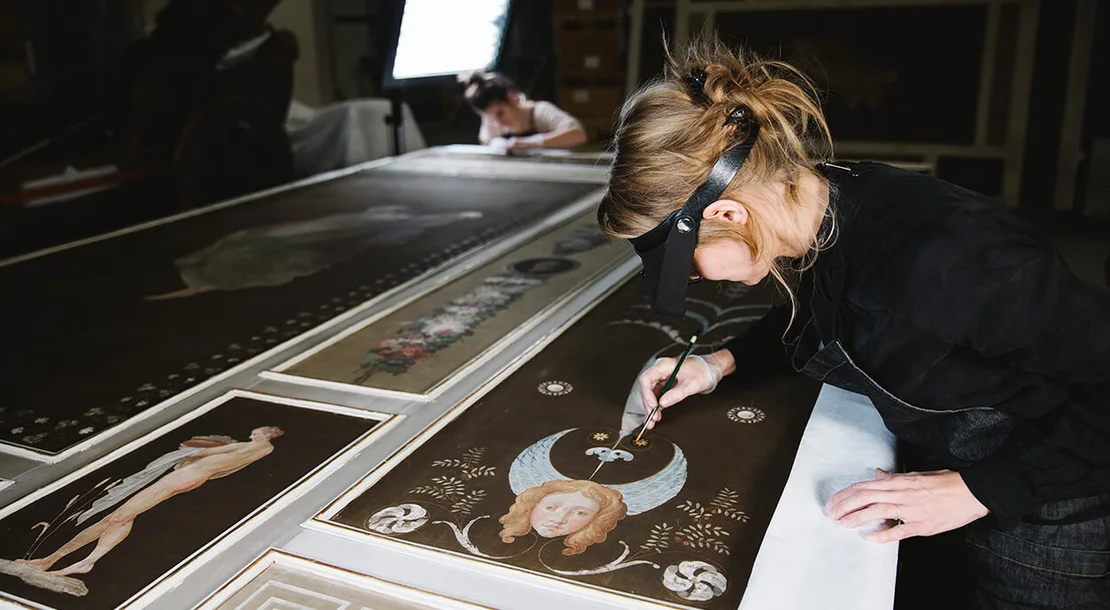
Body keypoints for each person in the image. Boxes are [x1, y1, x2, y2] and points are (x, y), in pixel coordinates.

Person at [597, 33, 1110, 609]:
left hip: (1053, 513)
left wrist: (980, 490)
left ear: (727, 214)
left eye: (687, 266)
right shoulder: (818, 209)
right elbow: (833, 316)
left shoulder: (949, 261)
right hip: (954, 474)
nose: (696, 281)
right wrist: (717, 363)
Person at [18, 426, 283, 577]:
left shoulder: (252, 446)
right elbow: (224, 465)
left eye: (257, 430)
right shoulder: (261, 452)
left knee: (116, 517)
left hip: (182, 479)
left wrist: (190, 451)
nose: (253, 432)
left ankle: (59, 560)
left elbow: (215, 451)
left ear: (266, 433)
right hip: (190, 479)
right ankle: (67, 560)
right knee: (119, 518)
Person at [459, 71, 587, 152]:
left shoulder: (540, 111)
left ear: (512, 98)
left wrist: (531, 143)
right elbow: (487, 142)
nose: (497, 123)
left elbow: (577, 134)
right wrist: (496, 144)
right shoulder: (491, 121)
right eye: (490, 118)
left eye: (500, 113)